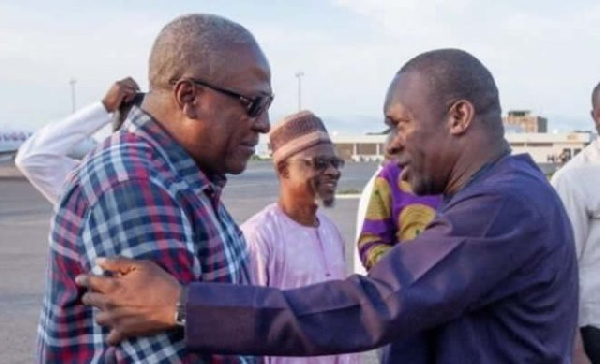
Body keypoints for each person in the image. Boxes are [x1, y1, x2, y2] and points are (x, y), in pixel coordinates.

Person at [76, 49, 579, 363]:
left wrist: (182, 305)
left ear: (459, 117)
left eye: (399, 123)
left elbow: (375, 303)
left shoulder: (501, 207)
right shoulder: (500, 195)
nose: (391, 146)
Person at [38, 14, 272, 363]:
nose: (265, 124)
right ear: (189, 96)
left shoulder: (184, 176)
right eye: (253, 104)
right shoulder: (134, 185)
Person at [241, 110, 359, 364]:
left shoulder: (331, 232)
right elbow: (250, 329)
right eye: (319, 163)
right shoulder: (259, 237)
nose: (332, 172)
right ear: (283, 169)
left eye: (334, 163)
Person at [15, 77, 141, 204]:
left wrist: (105, 107)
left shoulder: (100, 183)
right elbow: (32, 160)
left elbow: (31, 159)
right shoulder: (106, 180)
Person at [551, 81, 600, 364]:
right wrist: (575, 349)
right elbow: (560, 269)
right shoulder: (573, 179)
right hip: (593, 330)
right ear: (595, 116)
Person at [356, 159, 441, 271]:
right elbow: (370, 242)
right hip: (413, 284)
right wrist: (409, 266)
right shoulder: (394, 174)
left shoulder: (470, 177)